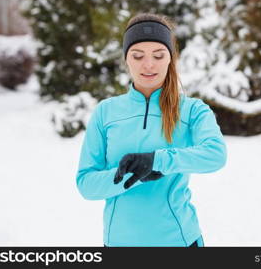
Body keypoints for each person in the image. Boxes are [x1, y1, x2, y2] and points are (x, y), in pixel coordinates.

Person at [76, 13, 227, 247]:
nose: (148, 65)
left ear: (170, 59)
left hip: (179, 242)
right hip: (118, 244)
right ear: (126, 59)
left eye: (158, 55)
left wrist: (157, 160)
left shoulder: (191, 110)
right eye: (138, 56)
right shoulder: (106, 112)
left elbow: (215, 155)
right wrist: (132, 174)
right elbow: (86, 184)